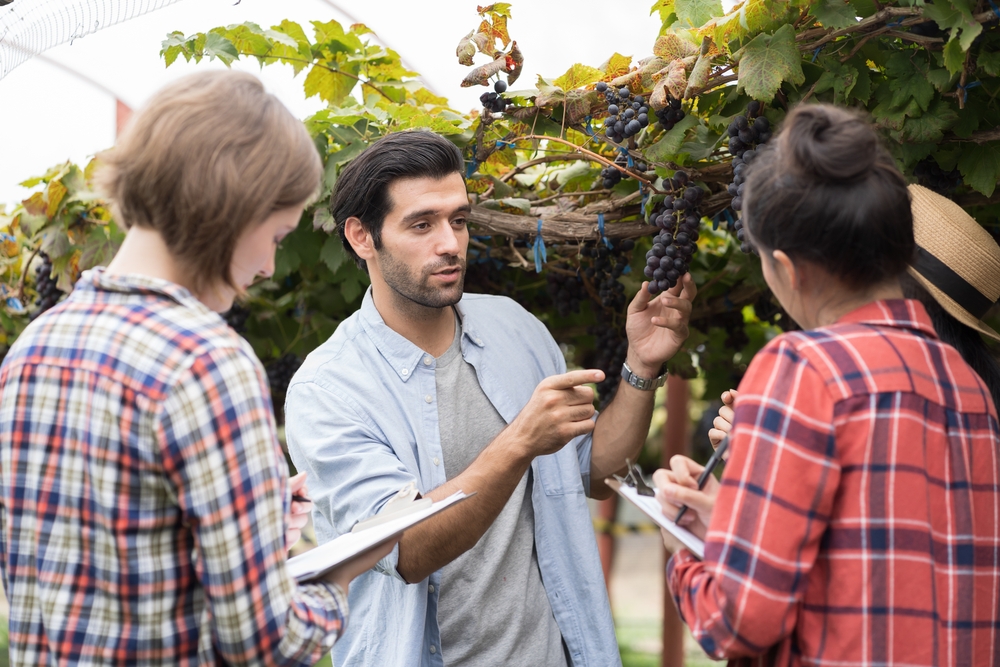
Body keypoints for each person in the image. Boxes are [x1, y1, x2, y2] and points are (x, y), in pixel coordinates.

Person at [0, 70, 393, 666]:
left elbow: (92, 560)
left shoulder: (33, 348)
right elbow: (265, 641)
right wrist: (343, 574)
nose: (267, 266)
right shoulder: (205, 361)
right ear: (231, 208)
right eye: (277, 233)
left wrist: (250, 518)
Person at [284, 129, 696, 666]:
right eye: (422, 224)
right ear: (362, 237)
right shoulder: (328, 390)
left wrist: (641, 365)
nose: (450, 243)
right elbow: (404, 550)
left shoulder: (513, 327)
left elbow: (590, 471)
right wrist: (519, 441)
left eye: (458, 219)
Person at [654, 104, 1000, 666]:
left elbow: (739, 621)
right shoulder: (971, 390)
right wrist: (731, 522)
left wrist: (684, 552)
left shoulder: (804, 369)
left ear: (789, 270)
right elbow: (881, 568)